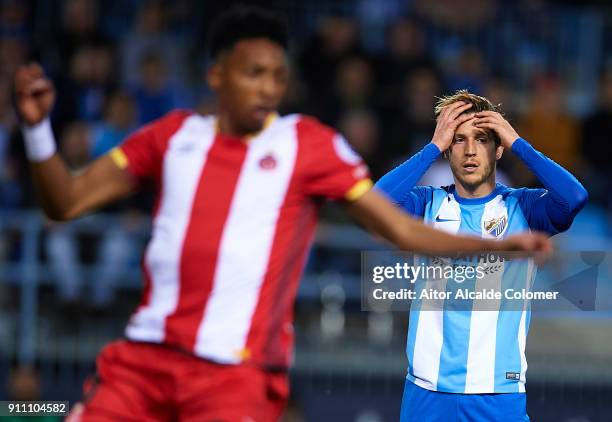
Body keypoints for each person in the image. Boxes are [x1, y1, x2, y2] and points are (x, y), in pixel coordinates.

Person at [14, 8, 550, 422]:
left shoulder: (307, 146)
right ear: (217, 75)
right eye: (254, 73)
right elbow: (65, 202)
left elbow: (400, 227)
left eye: (278, 75)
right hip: (144, 358)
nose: (269, 87)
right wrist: (37, 131)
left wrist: (499, 247)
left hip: (233, 375)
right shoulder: (172, 135)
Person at [375, 90, 587, 422]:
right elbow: (375, 204)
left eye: (483, 139)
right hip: (427, 392)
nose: (470, 151)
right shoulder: (426, 203)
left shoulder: (524, 206)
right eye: (458, 140)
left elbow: (574, 197)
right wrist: (432, 147)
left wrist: (518, 142)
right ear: (447, 149)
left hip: (496, 392)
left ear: (498, 147)